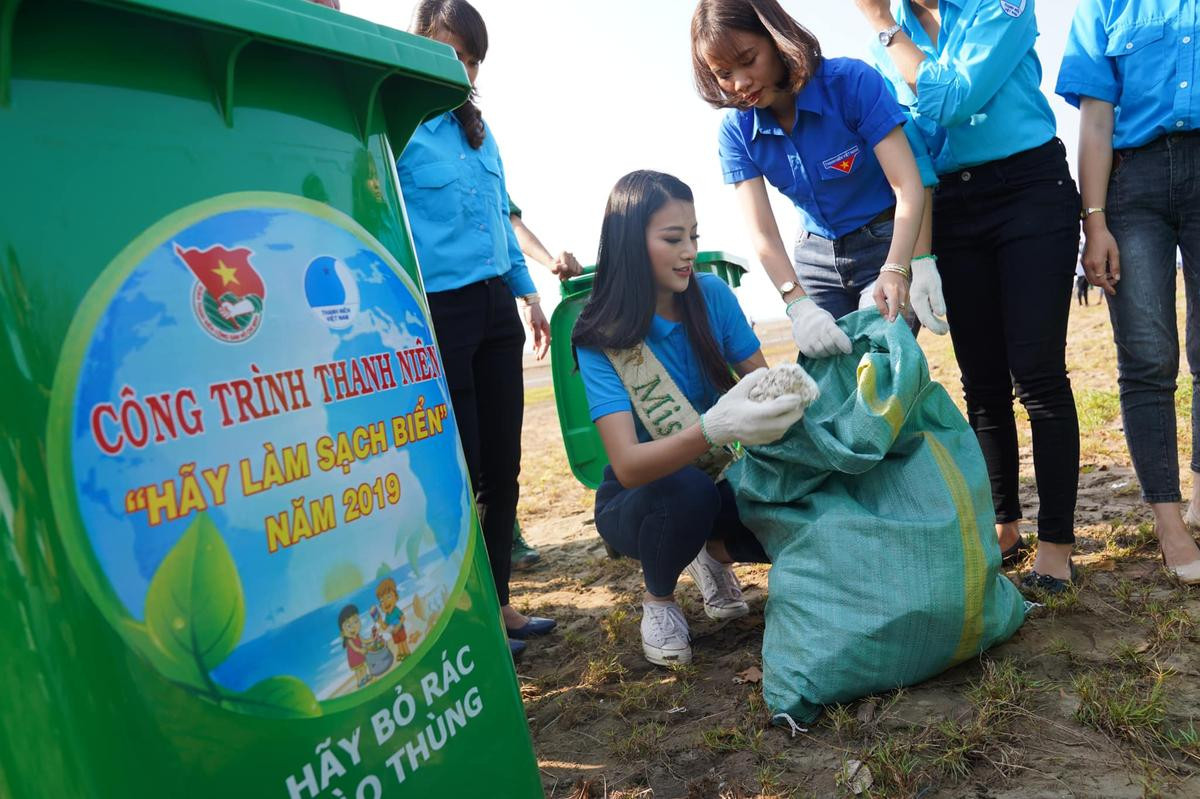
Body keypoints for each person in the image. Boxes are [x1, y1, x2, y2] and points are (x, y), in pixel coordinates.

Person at [854, 0, 1083, 593]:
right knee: (981, 382)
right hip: (952, 208)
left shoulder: (994, 5)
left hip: (1029, 188)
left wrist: (882, 25)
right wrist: (921, 256)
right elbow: (913, 144)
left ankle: (1056, 542)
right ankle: (1004, 524)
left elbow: (951, 97)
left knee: (1036, 373)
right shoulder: (894, 44)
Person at [572, 170, 806, 666]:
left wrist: (795, 393)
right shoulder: (601, 335)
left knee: (792, 496)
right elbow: (630, 466)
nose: (689, 251)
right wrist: (714, 427)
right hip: (637, 499)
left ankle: (712, 550)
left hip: (715, 474)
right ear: (630, 243)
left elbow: (761, 385)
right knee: (687, 491)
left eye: (694, 236)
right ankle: (658, 599)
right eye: (673, 238)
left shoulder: (711, 296)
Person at [397, 0, 556, 656]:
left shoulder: (478, 134)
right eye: (448, 50)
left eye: (470, 56)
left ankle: (502, 603)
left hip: (496, 307)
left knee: (504, 466)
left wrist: (529, 295)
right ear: (422, 46)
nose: (459, 66)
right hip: (441, 309)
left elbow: (499, 221)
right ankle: (466, 616)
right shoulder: (396, 129)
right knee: (458, 466)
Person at [690, 0, 946, 362]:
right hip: (816, 260)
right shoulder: (736, 133)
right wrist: (797, 304)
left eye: (748, 60)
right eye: (723, 73)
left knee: (879, 370)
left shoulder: (850, 84)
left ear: (776, 39)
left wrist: (899, 267)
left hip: (884, 242)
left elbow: (908, 186)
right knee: (827, 387)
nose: (740, 83)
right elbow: (762, 233)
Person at [1057, 0, 1200, 584]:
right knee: (1147, 357)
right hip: (1131, 183)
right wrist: (1095, 221)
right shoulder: (1104, 7)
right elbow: (1095, 117)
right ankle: (1169, 523)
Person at [506, 199, 584, 570]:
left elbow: (508, 225)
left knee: (499, 444)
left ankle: (506, 535)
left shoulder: (480, 143)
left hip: (491, 297)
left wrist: (535, 288)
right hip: (429, 304)